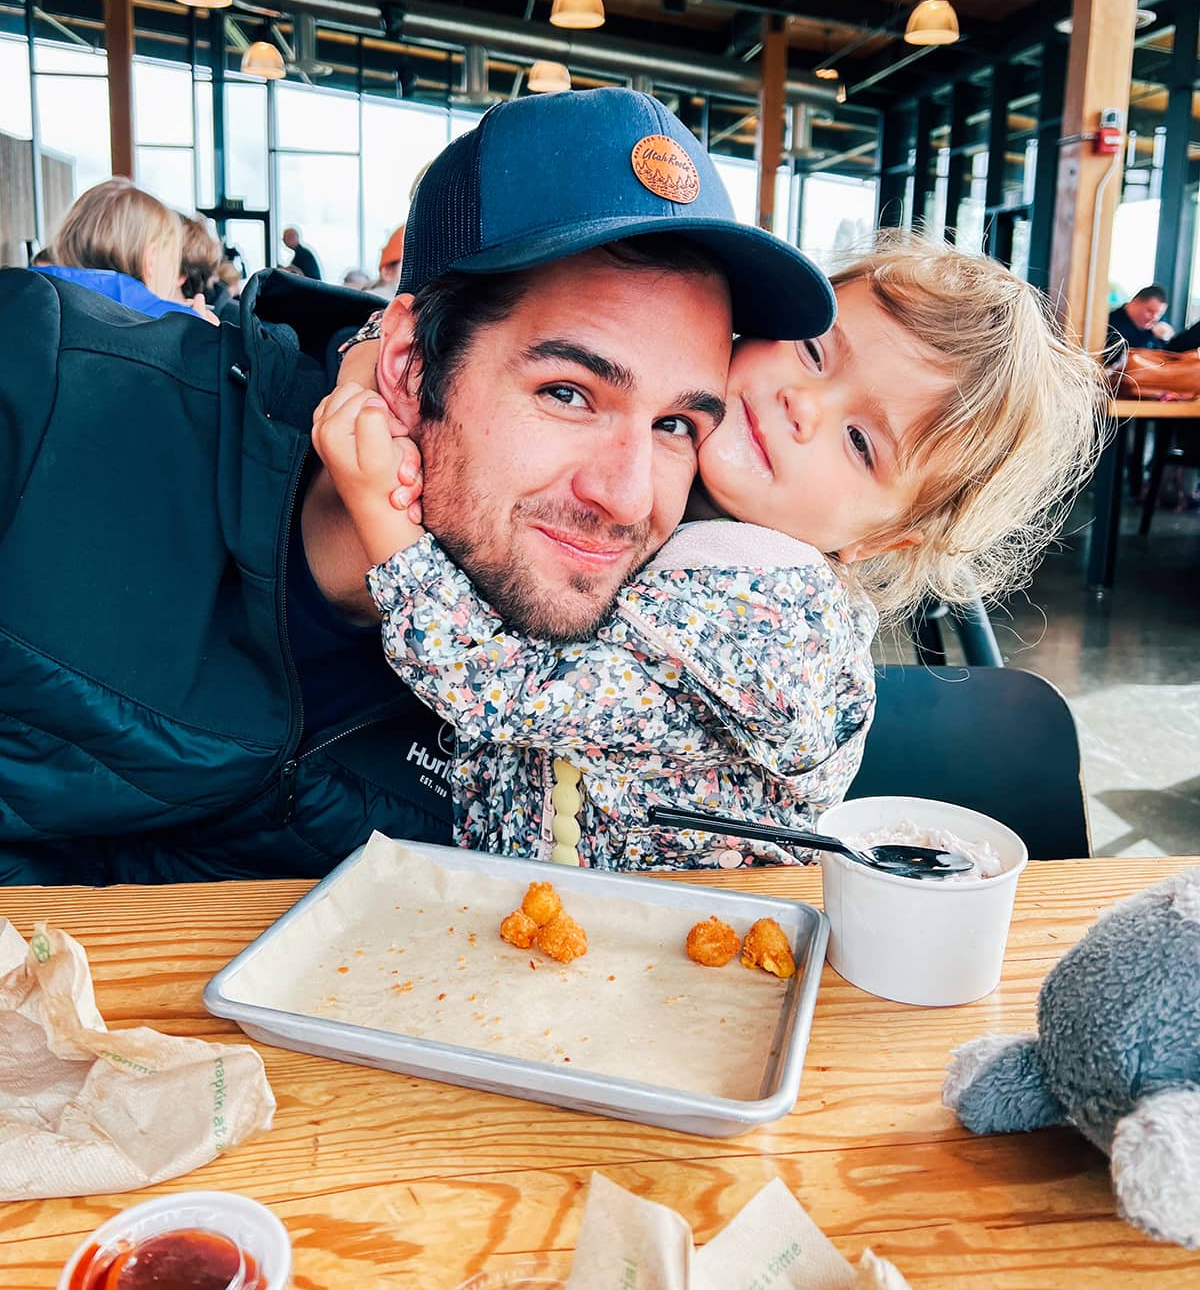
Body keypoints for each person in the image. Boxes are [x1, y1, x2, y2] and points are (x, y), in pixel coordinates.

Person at [0, 87, 831, 885]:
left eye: (676, 425)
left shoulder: (622, 665)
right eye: (568, 393)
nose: (628, 497)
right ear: (406, 365)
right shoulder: (44, 392)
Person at [313, 233, 1105, 871]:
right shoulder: (689, 506)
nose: (803, 405)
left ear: (881, 538)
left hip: (676, 954)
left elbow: (505, 692)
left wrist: (383, 511)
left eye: (861, 442)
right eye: (816, 352)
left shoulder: (772, 611)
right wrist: (371, 361)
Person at [37, 177, 211, 321]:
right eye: (172, 260)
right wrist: (205, 336)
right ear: (151, 259)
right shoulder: (177, 326)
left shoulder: (22, 295)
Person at [1107, 283, 1173, 353]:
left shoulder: (1159, 324)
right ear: (1135, 303)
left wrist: (1166, 338)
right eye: (1150, 311)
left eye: (1159, 315)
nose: (1154, 318)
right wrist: (1149, 335)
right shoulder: (1111, 323)